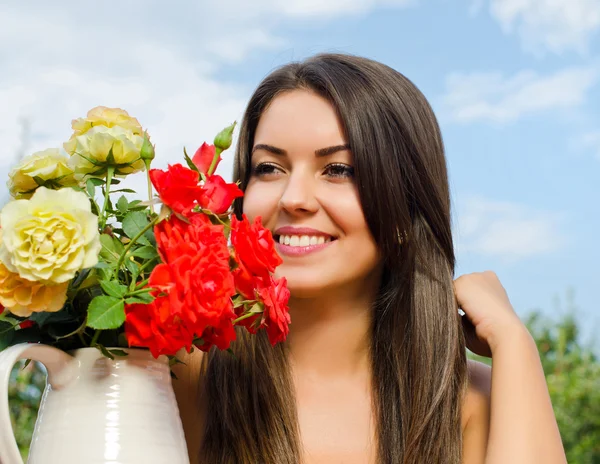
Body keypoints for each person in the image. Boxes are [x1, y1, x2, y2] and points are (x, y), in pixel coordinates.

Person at [172, 53, 566, 464]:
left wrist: (514, 342)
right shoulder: (185, 372)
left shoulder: (473, 402)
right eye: (269, 167)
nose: (293, 198)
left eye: (339, 170)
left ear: (405, 210)